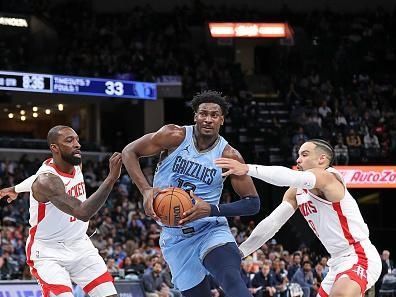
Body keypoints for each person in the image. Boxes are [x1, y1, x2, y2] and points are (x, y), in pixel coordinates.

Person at [122, 90, 260, 297]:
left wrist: (211, 210)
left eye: (214, 115)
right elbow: (129, 152)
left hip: (210, 230)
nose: (208, 119)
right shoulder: (173, 136)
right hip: (175, 237)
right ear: (195, 115)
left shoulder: (228, 155)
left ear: (221, 120)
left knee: (231, 279)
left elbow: (252, 203)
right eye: (203, 113)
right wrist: (145, 189)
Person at [215, 138, 382, 297]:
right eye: (298, 155)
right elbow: (273, 223)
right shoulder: (296, 191)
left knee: (340, 294)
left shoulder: (329, 178)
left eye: (305, 154)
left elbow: (290, 176)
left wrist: (247, 168)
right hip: (336, 262)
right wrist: (241, 252)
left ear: (322, 160)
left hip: (359, 255)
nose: (298, 160)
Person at [0, 125, 122, 297]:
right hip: (48, 252)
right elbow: (82, 212)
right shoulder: (47, 181)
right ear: (54, 148)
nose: (77, 144)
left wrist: (16, 188)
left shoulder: (76, 163)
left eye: (77, 139)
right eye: (69, 140)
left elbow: (33, 179)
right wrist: (111, 179)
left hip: (79, 245)